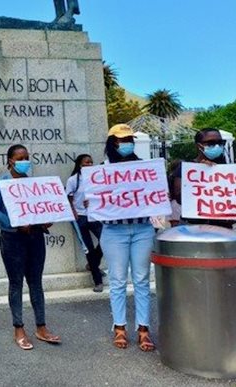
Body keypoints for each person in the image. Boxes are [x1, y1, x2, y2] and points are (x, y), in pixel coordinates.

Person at [0, 144, 61, 350]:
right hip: (12, 239)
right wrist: (14, 222)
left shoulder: (34, 183)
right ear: (10, 160)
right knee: (16, 283)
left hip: (35, 237)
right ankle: (18, 328)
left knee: (36, 283)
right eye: (20, 158)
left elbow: (41, 209)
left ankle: (41, 327)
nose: (24, 161)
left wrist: (46, 220)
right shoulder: (1, 184)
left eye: (27, 157)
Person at [99, 124, 156, 352]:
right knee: (118, 280)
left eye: (130, 139)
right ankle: (119, 327)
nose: (127, 143)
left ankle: (144, 329)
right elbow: (89, 199)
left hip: (142, 228)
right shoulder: (101, 170)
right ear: (113, 143)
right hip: (114, 232)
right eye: (122, 140)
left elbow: (157, 193)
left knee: (142, 280)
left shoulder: (144, 167)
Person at [171, 128, 236, 229]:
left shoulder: (228, 170)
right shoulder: (186, 169)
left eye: (220, 142)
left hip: (223, 227)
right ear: (199, 145)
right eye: (211, 143)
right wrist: (200, 173)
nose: (217, 146)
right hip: (192, 226)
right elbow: (180, 198)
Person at [65, 154, 104, 292]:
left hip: (94, 216)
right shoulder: (73, 180)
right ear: (80, 165)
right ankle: (97, 280)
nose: (89, 165)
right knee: (89, 249)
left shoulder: (97, 179)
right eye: (86, 162)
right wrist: (73, 212)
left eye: (91, 162)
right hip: (79, 218)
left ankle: (94, 264)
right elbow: (68, 198)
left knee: (105, 239)